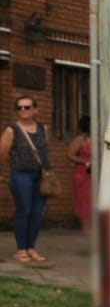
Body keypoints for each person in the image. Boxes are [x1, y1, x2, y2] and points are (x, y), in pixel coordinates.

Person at [1, 95, 51, 262]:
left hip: (41, 176)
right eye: (19, 107)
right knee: (24, 211)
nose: (23, 110)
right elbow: (2, 154)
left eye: (27, 107)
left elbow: (45, 152)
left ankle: (31, 247)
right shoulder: (11, 130)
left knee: (37, 213)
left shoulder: (44, 129)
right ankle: (21, 249)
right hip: (20, 175)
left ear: (35, 110)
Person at [68, 114, 92, 234]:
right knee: (83, 199)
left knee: (93, 199)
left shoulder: (99, 137)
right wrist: (85, 161)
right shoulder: (80, 139)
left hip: (96, 173)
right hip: (82, 173)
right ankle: (85, 228)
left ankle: (93, 226)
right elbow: (70, 155)